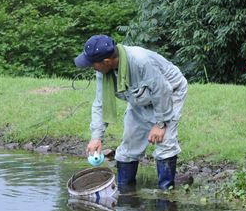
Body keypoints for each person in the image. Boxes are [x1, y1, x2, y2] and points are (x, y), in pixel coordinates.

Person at [75, 34, 188, 190]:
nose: (91, 67)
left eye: (92, 64)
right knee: (129, 145)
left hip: (170, 93)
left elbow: (162, 91)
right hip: (140, 97)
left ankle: (166, 197)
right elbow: (100, 104)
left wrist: (161, 123)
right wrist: (96, 137)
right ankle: (126, 194)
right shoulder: (103, 71)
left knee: (164, 143)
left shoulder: (140, 62)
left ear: (106, 61)